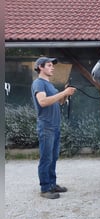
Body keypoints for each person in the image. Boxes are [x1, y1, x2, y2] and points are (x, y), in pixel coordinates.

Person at [31, 57, 76, 199]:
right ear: (40, 67)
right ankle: (45, 189)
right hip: (46, 126)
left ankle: (52, 184)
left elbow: (59, 102)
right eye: (49, 65)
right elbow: (43, 101)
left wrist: (65, 94)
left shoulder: (50, 85)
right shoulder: (38, 83)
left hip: (55, 126)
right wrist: (63, 93)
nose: (52, 67)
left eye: (52, 65)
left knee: (53, 157)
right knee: (46, 158)